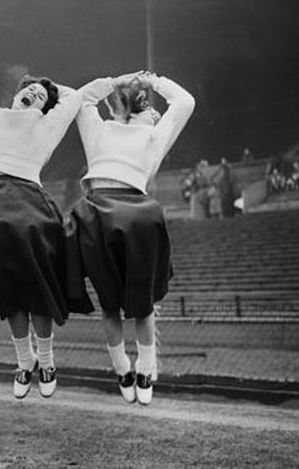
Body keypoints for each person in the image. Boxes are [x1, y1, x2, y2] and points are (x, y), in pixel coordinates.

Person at [0, 74, 94, 400]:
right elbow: (9, 112)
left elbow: (74, 97)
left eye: (41, 96)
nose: (34, 93)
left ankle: (47, 361)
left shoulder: (46, 126)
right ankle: (24, 361)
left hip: (28, 203)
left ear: (46, 109)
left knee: (37, 284)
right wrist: (31, 93)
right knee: (7, 287)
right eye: (29, 89)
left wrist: (48, 95)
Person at [70, 71, 195, 405]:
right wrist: (117, 80)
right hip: (97, 210)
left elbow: (184, 101)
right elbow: (79, 99)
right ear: (124, 107)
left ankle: (146, 368)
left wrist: (154, 81)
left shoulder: (154, 135)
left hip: (135, 211)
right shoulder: (99, 129)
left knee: (142, 304)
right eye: (145, 106)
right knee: (110, 304)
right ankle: (122, 368)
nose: (153, 112)